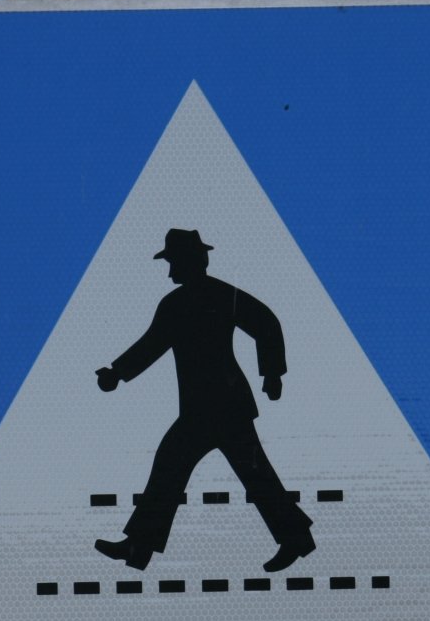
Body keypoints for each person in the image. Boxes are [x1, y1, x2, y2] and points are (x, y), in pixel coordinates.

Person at [94, 228, 315, 573]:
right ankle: (295, 538)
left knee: (199, 468)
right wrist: (117, 372)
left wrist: (273, 374)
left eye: (173, 263)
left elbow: (266, 324)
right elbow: (152, 344)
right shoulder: (184, 302)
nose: (170, 271)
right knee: (244, 473)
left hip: (219, 408)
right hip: (209, 408)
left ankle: (139, 547)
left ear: (189, 262)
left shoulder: (204, 299)